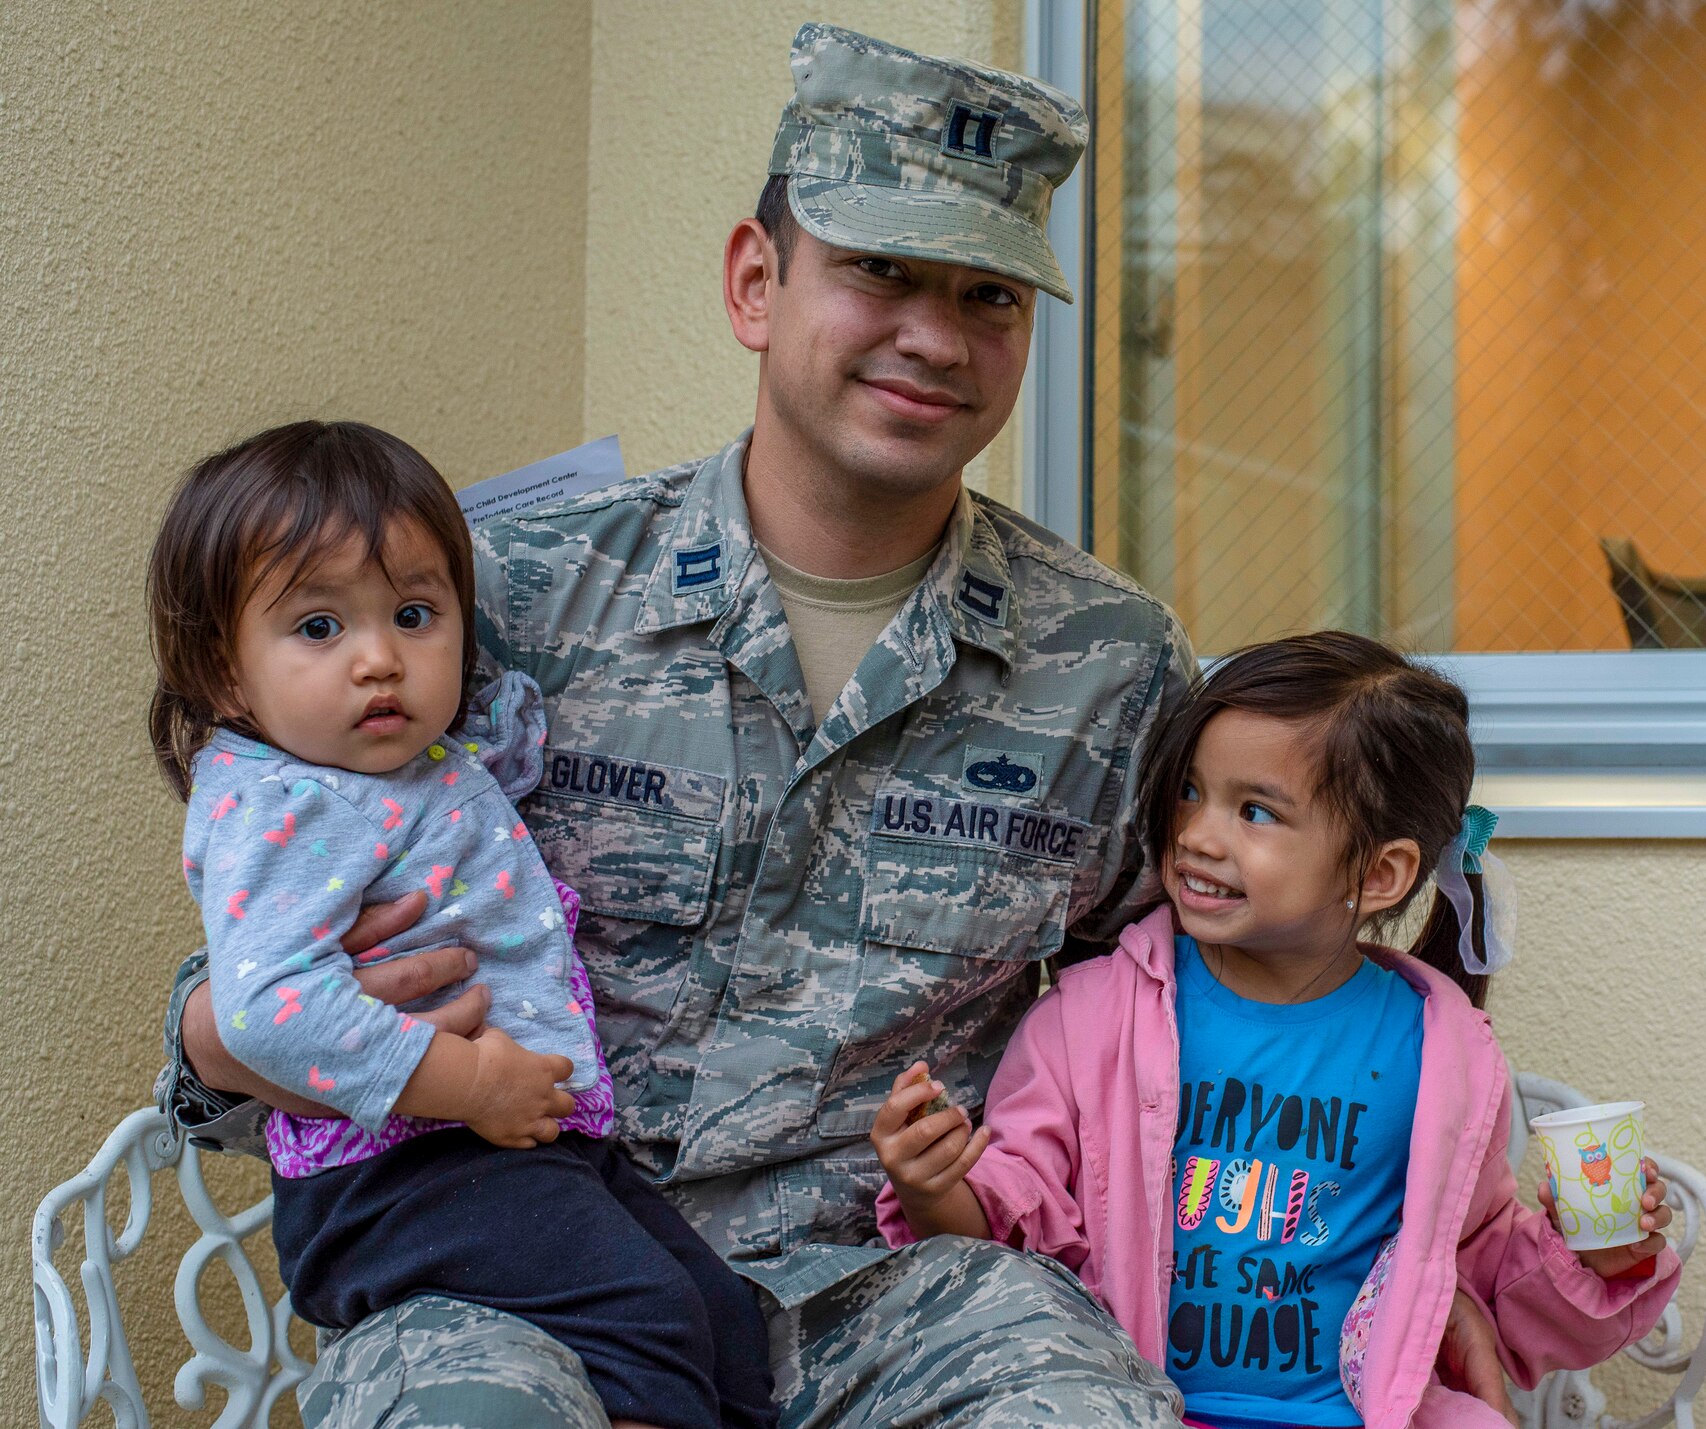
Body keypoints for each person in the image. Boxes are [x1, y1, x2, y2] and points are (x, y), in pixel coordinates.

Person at [160, 26, 1524, 1428]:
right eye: (879, 270)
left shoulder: (1110, 669)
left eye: (987, 294)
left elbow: (1215, 1004)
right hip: (519, 1263)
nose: (934, 337)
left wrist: (1398, 1270)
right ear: (758, 281)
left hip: (890, 1284)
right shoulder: (500, 599)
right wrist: (216, 1034)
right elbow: (244, 992)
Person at [872, 631, 1683, 1429]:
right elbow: (1019, 1226)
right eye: (1191, 790)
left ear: (1379, 874)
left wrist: (1599, 1251)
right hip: (1121, 1406)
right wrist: (937, 1185)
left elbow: (1474, 1277)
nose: (1196, 834)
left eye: (1254, 810)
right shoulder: (1091, 1018)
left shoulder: (1438, 1056)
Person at [149, 419, 777, 1429]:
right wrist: (472, 1081)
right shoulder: (286, 805)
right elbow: (268, 1010)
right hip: (400, 1168)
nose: (377, 660)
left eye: (412, 613)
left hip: (510, 1143)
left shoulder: (400, 766)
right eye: (318, 627)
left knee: (720, 1319)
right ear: (224, 673)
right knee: (644, 1316)